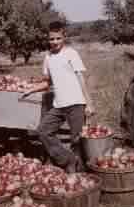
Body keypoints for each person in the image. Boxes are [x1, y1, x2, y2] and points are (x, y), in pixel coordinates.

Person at [21, 21, 95, 173]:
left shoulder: (71, 54)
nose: (55, 42)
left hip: (76, 103)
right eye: (52, 39)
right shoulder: (48, 58)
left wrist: (89, 103)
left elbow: (81, 79)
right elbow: (47, 82)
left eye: (58, 38)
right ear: (48, 39)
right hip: (59, 105)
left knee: (77, 139)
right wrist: (31, 89)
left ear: (64, 37)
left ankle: (80, 172)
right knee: (43, 131)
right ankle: (66, 159)